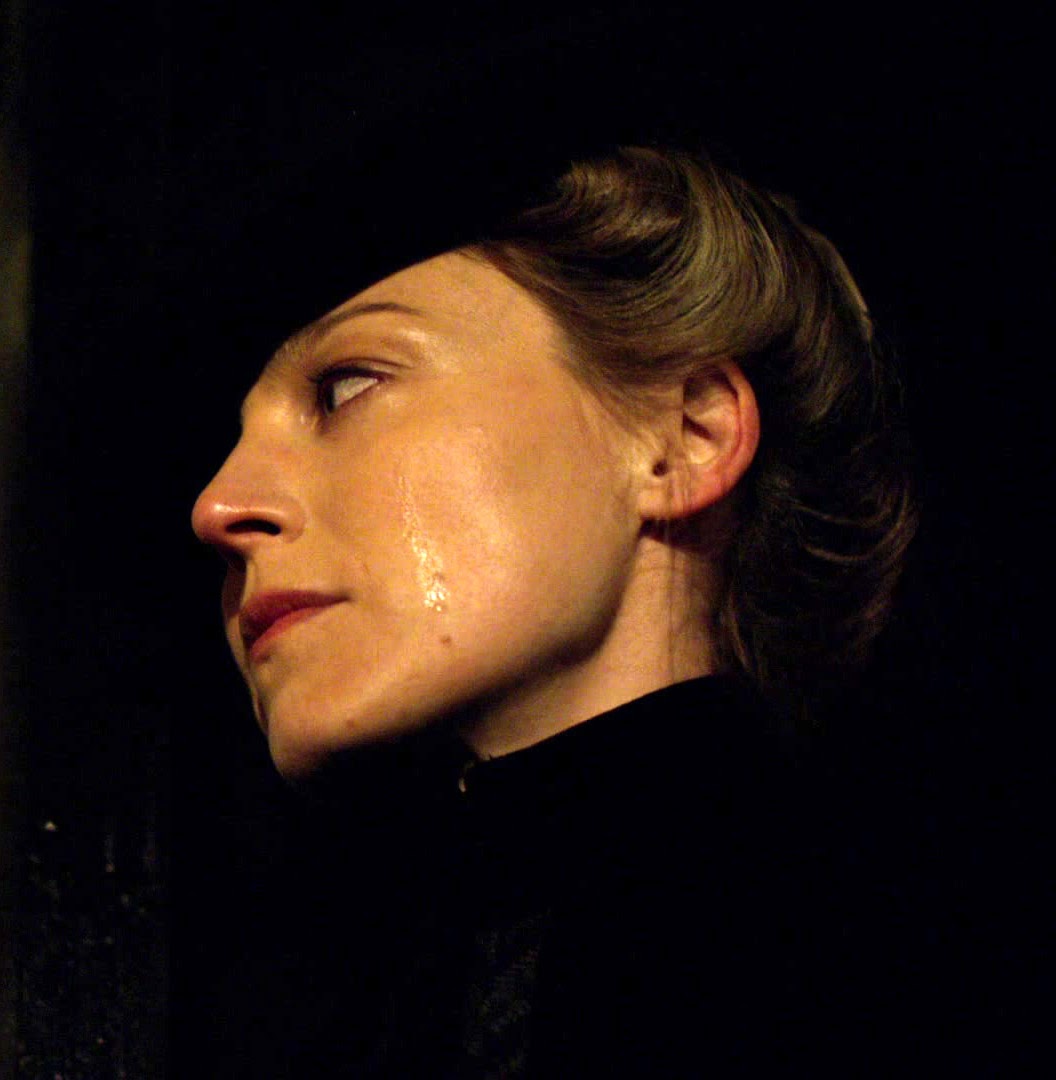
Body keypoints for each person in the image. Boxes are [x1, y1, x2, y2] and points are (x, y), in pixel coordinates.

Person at [192, 146, 916, 1075]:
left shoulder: (892, 960)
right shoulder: (381, 988)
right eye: (231, 441)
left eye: (347, 388)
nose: (218, 504)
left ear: (685, 436)